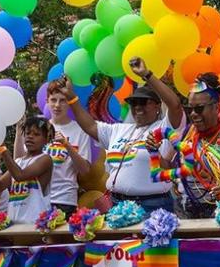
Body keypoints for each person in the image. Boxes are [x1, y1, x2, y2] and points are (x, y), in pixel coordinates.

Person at [63, 58, 185, 215]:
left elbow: (175, 105)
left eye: (143, 102)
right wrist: (71, 97)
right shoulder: (119, 130)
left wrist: (146, 74)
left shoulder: (164, 128)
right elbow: (90, 126)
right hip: (117, 204)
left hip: (152, 205)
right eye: (134, 103)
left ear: (156, 106)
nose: (138, 107)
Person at [150, 73, 220, 218]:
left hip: (219, 217)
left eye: (199, 109)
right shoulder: (186, 133)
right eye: (190, 109)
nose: (193, 114)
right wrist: (155, 152)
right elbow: (168, 167)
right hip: (184, 215)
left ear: (216, 107)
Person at [0, 116, 54, 224]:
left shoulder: (45, 159)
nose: (30, 137)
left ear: (46, 140)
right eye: (28, 133)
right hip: (14, 224)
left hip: (35, 224)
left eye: (36, 134)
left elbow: (20, 176)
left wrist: (4, 150)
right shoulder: (19, 162)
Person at [43, 81, 93, 216]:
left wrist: (67, 146)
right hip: (38, 199)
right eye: (53, 100)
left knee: (61, 237)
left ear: (69, 103)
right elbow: (21, 162)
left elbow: (85, 170)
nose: (57, 105)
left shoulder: (79, 130)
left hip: (65, 199)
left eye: (63, 101)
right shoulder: (39, 129)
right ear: (47, 101)